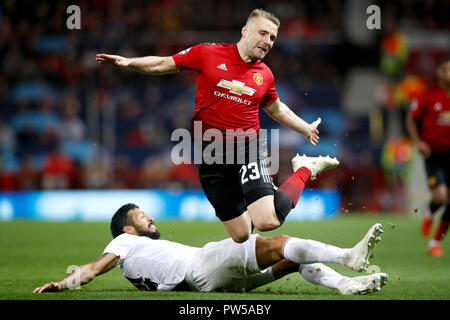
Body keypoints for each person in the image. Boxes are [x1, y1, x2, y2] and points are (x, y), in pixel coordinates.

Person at [96, 9, 339, 243]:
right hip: (211, 154)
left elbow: (276, 108)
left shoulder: (264, 75)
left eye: (273, 37)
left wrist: (305, 128)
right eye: (263, 33)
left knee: (266, 222)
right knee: (242, 234)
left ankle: (304, 169)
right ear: (245, 31)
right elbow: (163, 63)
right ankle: (260, 195)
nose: (268, 41)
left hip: (248, 148)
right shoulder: (207, 53)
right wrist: (129, 63)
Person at [33, 203, 388, 296]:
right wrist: (63, 284)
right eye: (142, 217)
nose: (150, 218)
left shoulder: (134, 257)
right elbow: (93, 269)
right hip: (202, 265)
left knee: (289, 261)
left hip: (209, 283)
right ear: (127, 229)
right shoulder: (124, 242)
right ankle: (348, 256)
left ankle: (344, 284)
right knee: (277, 242)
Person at [406, 57, 450, 257]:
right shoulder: (428, 96)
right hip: (434, 155)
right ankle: (431, 212)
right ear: (439, 73)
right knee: (440, 197)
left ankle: (435, 243)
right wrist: (418, 142)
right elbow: (412, 120)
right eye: (446, 69)